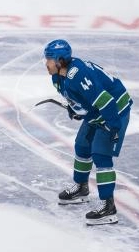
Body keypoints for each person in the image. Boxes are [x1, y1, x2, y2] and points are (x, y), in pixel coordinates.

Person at [43, 39, 132, 226]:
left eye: (49, 59)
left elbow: (105, 100)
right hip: (99, 111)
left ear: (60, 61)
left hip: (114, 110)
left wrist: (113, 126)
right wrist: (75, 108)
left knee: (101, 154)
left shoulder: (78, 75)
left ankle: (109, 208)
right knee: (82, 146)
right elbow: (81, 100)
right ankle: (82, 188)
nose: (46, 63)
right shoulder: (57, 77)